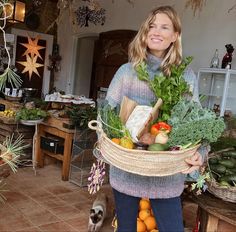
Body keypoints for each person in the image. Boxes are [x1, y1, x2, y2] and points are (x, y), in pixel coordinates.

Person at [105, 5, 204, 232]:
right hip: (127, 168)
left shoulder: (185, 76)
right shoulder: (126, 72)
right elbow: (106, 116)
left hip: (165, 171)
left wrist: (200, 153)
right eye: (152, 26)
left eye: (164, 27)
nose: (156, 31)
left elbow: (196, 121)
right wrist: (108, 139)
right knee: (126, 229)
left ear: (175, 36)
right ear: (145, 31)